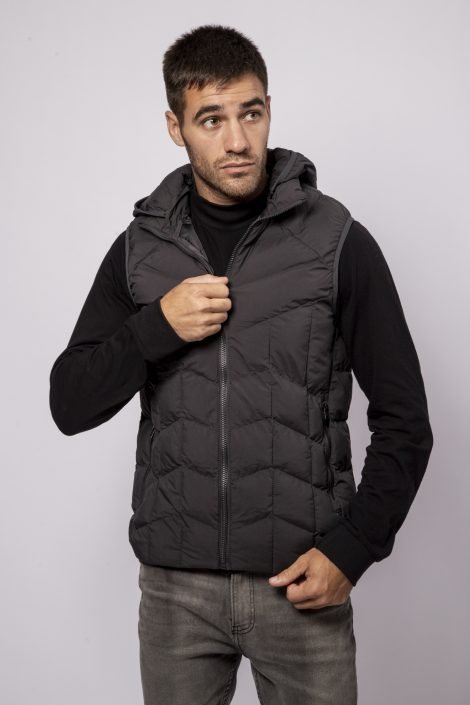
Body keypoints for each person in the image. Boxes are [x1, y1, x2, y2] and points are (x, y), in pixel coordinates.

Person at [49, 23, 434, 705]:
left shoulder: (337, 241)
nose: (236, 141)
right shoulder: (140, 250)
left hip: (302, 585)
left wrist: (352, 550)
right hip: (176, 594)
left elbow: (406, 419)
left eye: (250, 113)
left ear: (269, 110)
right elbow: (69, 403)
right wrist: (155, 328)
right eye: (211, 119)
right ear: (176, 127)